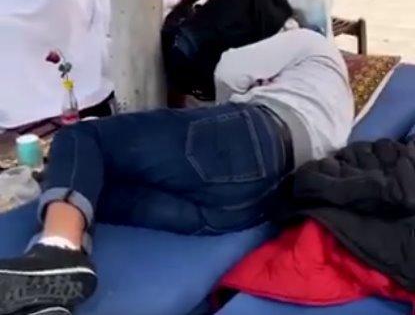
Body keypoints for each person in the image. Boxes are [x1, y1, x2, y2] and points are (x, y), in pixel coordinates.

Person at [0, 28, 354, 315]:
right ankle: (47, 299)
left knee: (81, 137)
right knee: (94, 186)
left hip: (250, 139)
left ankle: (58, 250)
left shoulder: (310, 41)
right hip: (250, 207)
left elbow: (231, 67)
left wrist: (228, 105)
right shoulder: (340, 101)